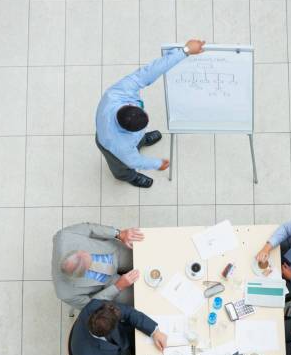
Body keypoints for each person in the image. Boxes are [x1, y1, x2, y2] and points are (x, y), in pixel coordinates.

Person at [96, 38, 206, 189]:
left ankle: (141, 140)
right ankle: (128, 176)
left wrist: (185, 51)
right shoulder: (120, 145)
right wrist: (157, 164)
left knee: (136, 141)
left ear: (129, 105)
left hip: (128, 138)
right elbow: (134, 161)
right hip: (109, 145)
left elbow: (150, 71)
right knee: (121, 165)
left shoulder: (119, 92)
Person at [52, 222, 144, 310]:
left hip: (112, 254)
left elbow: (91, 229)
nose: (93, 259)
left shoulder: (63, 236)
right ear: (84, 274)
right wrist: (118, 287)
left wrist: (119, 234)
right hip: (109, 285)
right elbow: (91, 307)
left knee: (144, 256)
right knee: (140, 297)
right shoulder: (65, 294)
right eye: (90, 263)